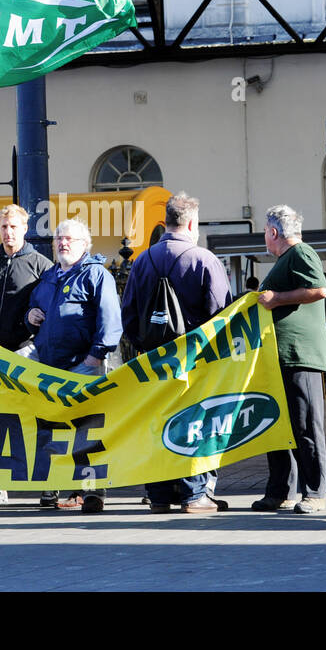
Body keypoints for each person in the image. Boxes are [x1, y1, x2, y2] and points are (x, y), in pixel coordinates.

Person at [121, 192, 232, 514]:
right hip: (193, 360)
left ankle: (158, 494)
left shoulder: (142, 260)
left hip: (152, 360)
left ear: (165, 222)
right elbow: (221, 314)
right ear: (192, 222)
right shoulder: (203, 259)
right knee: (194, 422)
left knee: (157, 423)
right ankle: (194, 494)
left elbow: (128, 314)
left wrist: (144, 345)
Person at [26, 218, 122, 513]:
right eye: (58, 239)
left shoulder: (95, 274)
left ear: (84, 245)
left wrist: (96, 356)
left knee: (87, 431)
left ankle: (91, 491)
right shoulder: (49, 277)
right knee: (52, 428)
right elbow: (33, 310)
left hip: (83, 365)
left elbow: (110, 320)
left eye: (69, 239)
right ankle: (52, 489)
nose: (62, 243)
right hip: (49, 367)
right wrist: (29, 315)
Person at [248, 205, 326, 515]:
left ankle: (314, 492)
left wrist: (277, 298)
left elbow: (320, 289)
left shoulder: (300, 252)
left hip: (299, 355)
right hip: (279, 356)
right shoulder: (287, 259)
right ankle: (279, 491)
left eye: (265, 235)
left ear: (272, 232)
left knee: (306, 424)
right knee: (279, 426)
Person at [0, 204, 52, 507]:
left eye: (14, 226)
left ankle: (48, 486)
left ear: (25, 229)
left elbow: (48, 311)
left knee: (35, 420)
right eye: (4, 226)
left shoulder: (41, 264)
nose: (8, 232)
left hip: (25, 356)